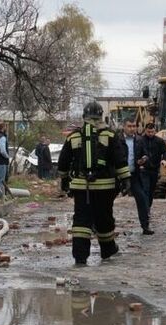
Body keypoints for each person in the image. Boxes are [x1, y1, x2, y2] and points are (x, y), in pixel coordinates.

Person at [58, 101, 130, 265]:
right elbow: (120, 160)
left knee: (81, 221)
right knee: (104, 217)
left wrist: (64, 180)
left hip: (82, 188)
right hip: (105, 188)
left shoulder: (74, 136)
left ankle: (80, 256)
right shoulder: (110, 135)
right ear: (101, 116)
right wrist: (126, 180)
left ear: (84, 117)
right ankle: (108, 250)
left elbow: (63, 162)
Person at [134, 122, 166, 232]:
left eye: (152, 132)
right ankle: (145, 213)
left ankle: (147, 208)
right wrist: (139, 162)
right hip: (143, 170)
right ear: (145, 131)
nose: (150, 133)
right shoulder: (140, 141)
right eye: (148, 132)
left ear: (155, 131)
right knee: (145, 191)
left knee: (150, 192)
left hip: (154, 170)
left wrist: (164, 160)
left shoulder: (159, 141)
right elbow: (137, 154)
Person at [123, 118, 152, 235]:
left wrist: (143, 159)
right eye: (129, 126)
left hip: (134, 175)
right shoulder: (117, 140)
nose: (132, 129)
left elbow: (145, 154)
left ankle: (145, 226)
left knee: (143, 199)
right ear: (123, 127)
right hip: (119, 175)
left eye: (134, 126)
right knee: (106, 200)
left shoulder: (139, 140)